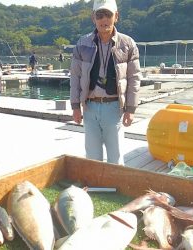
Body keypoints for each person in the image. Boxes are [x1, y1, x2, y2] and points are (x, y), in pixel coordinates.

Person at [70, 0, 141, 165]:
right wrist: (75, 107)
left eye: (108, 15)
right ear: (93, 18)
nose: (104, 20)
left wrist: (130, 109)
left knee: (115, 157)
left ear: (116, 16)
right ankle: (94, 189)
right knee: (92, 157)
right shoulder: (82, 44)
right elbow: (75, 77)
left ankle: (115, 187)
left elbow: (134, 79)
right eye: (99, 15)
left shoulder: (128, 44)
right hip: (89, 107)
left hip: (114, 107)